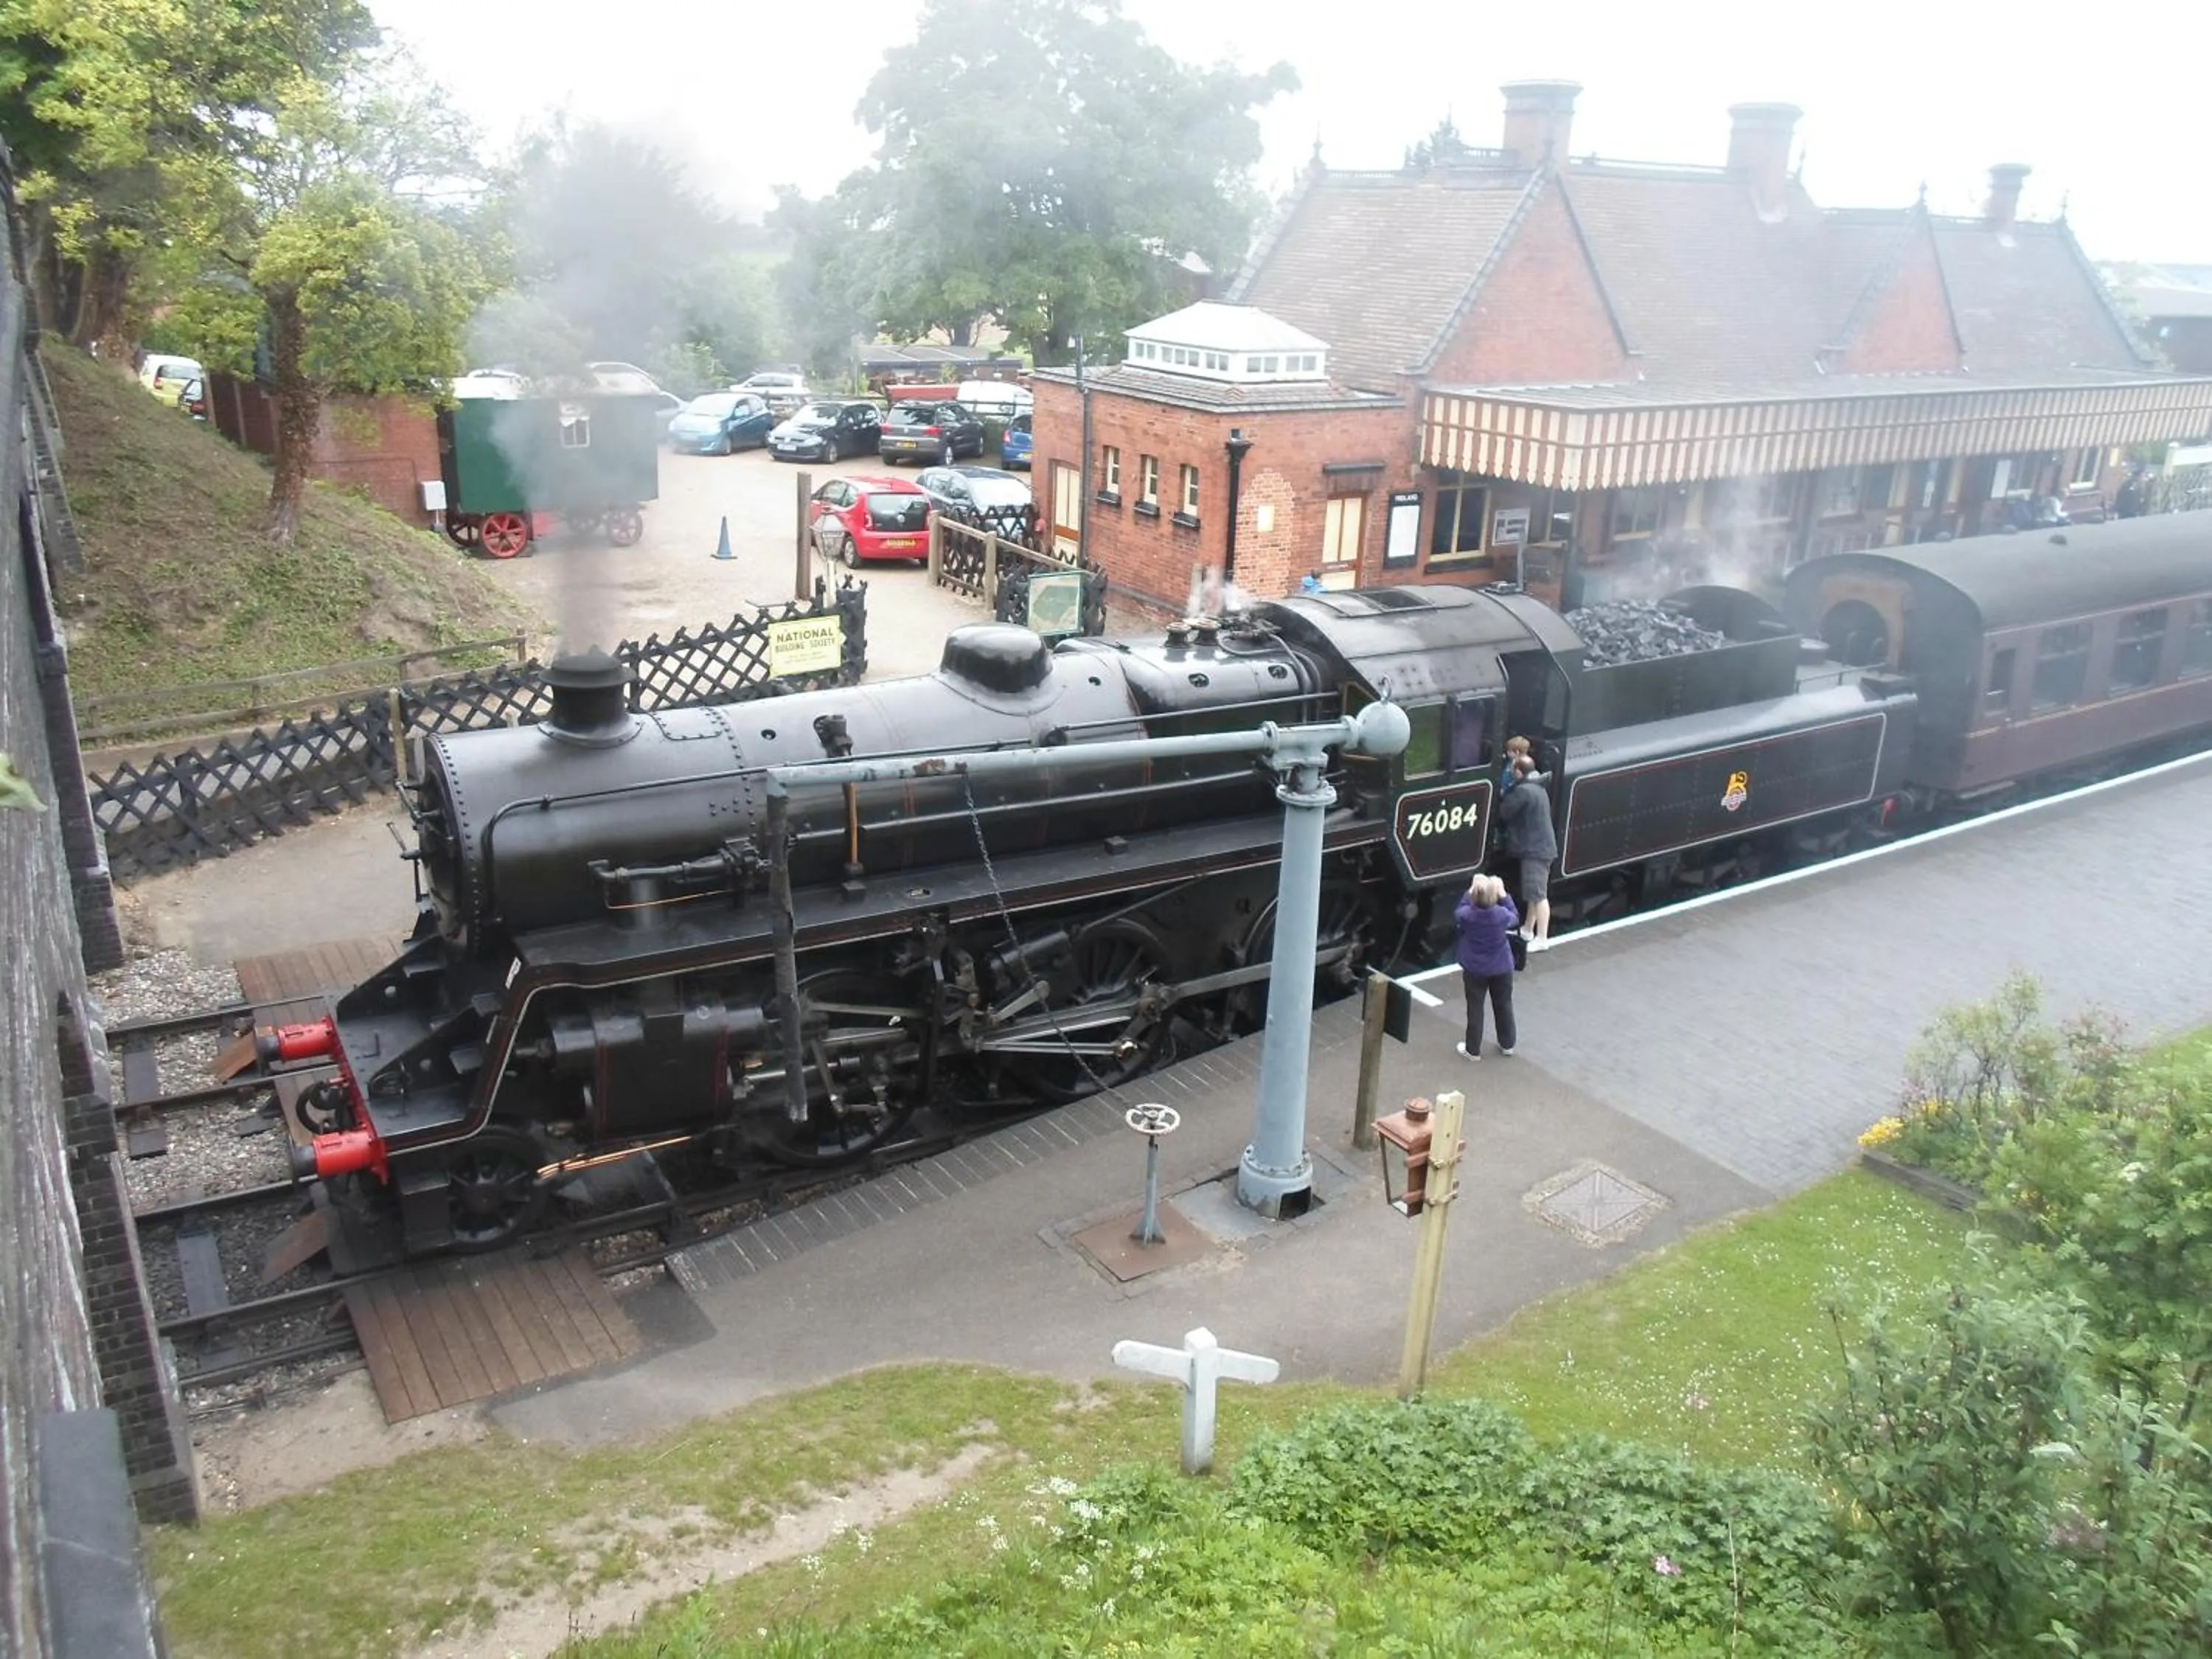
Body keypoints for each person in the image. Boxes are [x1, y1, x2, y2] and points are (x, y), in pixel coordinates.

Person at [1453, 874, 1519, 1060]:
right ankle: (1507, 1044)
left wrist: (1471, 890)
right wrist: (1503, 894)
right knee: (1504, 1004)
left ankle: (1473, 1050)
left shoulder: (1467, 915)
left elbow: (1459, 909)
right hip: (1501, 967)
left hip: (1475, 969)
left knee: (1475, 1007)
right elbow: (1515, 916)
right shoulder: (1502, 915)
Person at [1498, 754, 1557, 949]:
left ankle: (1542, 938)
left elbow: (1504, 812)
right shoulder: (1539, 788)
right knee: (1534, 893)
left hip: (1535, 849)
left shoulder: (1523, 791)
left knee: (1539, 896)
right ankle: (1527, 930)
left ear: (1518, 772)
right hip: (1540, 847)